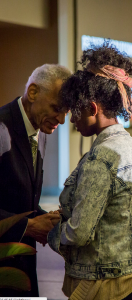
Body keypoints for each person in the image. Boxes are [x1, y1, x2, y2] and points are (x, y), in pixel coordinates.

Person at [47, 44, 132, 300]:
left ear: (92, 109)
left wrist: (52, 232)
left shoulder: (101, 157)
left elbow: (79, 232)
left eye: (75, 111)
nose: (71, 120)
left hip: (109, 280)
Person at [0, 64, 71, 296]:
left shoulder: (38, 128)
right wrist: (28, 226)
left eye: (66, 112)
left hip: (23, 265)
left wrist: (43, 217)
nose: (61, 119)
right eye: (56, 108)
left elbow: (18, 198)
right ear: (33, 93)